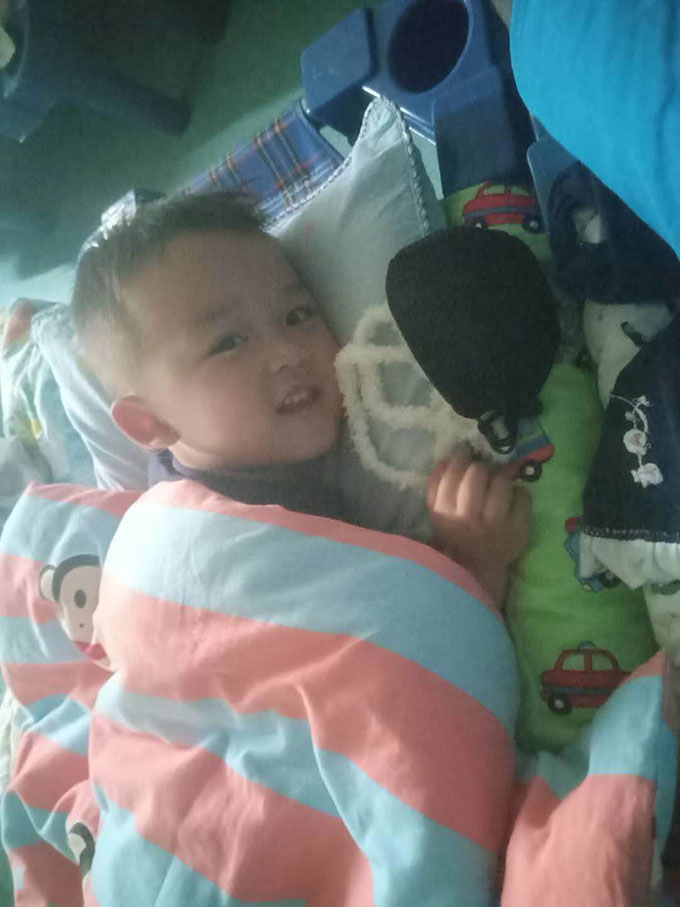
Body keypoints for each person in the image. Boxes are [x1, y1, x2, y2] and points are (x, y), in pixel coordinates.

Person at [72, 190, 531, 605]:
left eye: (297, 315)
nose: (289, 352)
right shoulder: (253, 540)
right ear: (149, 423)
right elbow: (416, 655)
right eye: (229, 342)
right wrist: (477, 561)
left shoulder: (210, 476)